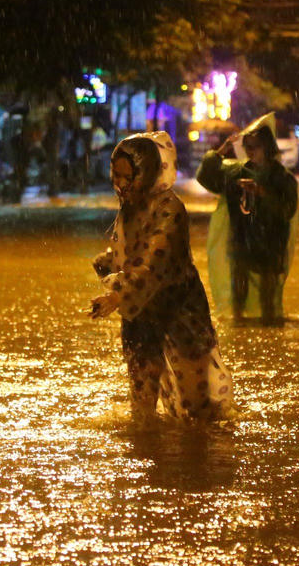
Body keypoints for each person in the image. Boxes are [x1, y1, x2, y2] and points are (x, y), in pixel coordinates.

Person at [90, 132, 235, 423]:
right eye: (115, 175)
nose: (119, 184)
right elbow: (132, 251)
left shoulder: (170, 209)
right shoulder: (130, 206)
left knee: (200, 414)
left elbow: (153, 263)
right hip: (141, 315)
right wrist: (109, 262)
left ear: (145, 174)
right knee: (141, 408)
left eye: (126, 176)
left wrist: (117, 295)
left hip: (180, 314)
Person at [195, 112, 298, 323]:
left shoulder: (282, 177)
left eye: (255, 146)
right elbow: (207, 177)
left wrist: (263, 194)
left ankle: (270, 324)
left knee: (269, 291)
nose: (250, 151)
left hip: (271, 241)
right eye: (247, 146)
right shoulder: (236, 172)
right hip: (242, 238)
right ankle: (239, 321)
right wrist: (220, 152)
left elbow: (288, 210)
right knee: (239, 286)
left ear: (267, 148)